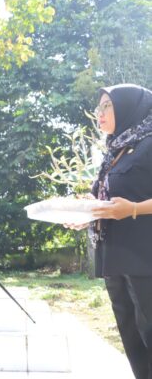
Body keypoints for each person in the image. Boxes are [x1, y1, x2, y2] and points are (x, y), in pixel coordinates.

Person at [65, 84, 152, 379]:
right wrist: (85, 212)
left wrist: (134, 209)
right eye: (98, 107)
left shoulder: (150, 143)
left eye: (107, 106)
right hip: (115, 258)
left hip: (145, 259)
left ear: (128, 108)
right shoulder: (116, 150)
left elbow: (129, 204)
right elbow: (105, 200)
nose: (98, 113)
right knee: (132, 337)